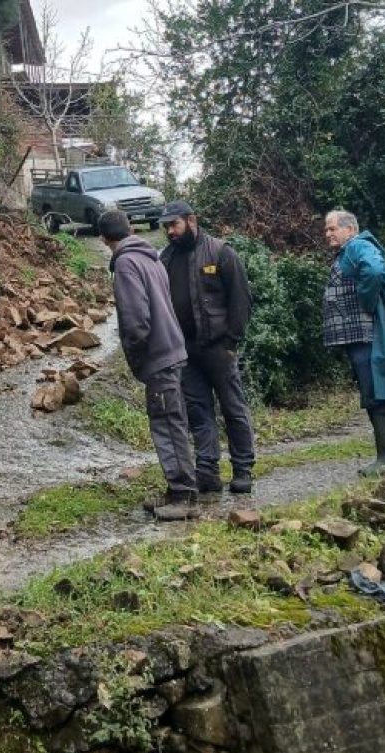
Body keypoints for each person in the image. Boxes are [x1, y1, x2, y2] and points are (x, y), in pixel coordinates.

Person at [98, 209, 199, 521]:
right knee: (174, 421)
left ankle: (183, 496)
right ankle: (177, 490)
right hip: (172, 348)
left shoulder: (126, 263)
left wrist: (138, 357)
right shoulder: (150, 257)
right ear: (130, 229)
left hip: (158, 355)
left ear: (103, 239)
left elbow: (135, 320)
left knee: (168, 424)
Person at [158, 200, 256, 494]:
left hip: (218, 348)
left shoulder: (220, 252)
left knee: (233, 408)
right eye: (166, 227)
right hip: (185, 351)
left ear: (192, 220)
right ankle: (208, 471)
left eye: (174, 224)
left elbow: (241, 299)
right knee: (198, 412)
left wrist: (231, 341)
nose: (170, 231)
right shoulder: (166, 259)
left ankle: (243, 470)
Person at [322, 209, 385, 474]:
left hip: (368, 335)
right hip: (362, 336)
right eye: (326, 230)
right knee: (383, 393)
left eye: (332, 229)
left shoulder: (358, 245)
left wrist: (366, 299)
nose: (328, 234)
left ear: (350, 229)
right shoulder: (350, 250)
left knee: (377, 394)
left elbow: (374, 271)